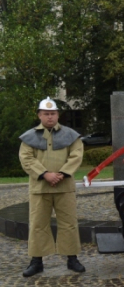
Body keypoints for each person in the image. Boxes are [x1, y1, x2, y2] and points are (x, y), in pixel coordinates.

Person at [18, 97, 85, 277]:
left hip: (65, 187)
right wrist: (45, 174)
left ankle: (72, 259)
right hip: (40, 188)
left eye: (53, 113)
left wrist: (62, 173)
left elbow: (76, 156)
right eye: (46, 114)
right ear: (39, 115)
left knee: (69, 223)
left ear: (57, 115)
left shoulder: (71, 135)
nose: (50, 117)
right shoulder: (29, 137)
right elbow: (26, 158)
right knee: (38, 224)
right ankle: (36, 261)